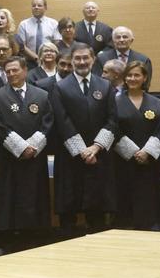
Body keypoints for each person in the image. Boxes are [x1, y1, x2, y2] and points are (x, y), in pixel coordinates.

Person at [0, 56, 53, 253]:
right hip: (7, 157)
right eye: (7, 71)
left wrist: (32, 146)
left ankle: (31, 238)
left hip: (34, 157)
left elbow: (48, 122)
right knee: (6, 196)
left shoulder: (42, 95)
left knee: (32, 195)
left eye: (15, 70)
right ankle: (4, 240)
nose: (11, 74)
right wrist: (20, 147)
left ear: (25, 71)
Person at [50, 45, 117, 234]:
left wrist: (95, 148)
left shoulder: (105, 85)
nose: (82, 62)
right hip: (70, 156)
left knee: (97, 209)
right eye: (77, 58)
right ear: (72, 61)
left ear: (93, 59)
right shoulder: (60, 87)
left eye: (85, 58)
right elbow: (62, 121)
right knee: (69, 207)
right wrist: (82, 150)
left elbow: (112, 120)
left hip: (99, 155)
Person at [113, 61, 160, 231]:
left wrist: (146, 153)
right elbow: (113, 128)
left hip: (149, 163)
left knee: (149, 197)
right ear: (124, 78)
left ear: (144, 78)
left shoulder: (156, 103)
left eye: (137, 75)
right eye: (129, 75)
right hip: (123, 162)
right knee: (125, 199)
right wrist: (133, 152)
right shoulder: (114, 102)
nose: (132, 78)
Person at [16, 0, 60, 66]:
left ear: (45, 8)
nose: (36, 7)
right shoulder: (24, 24)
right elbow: (22, 46)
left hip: (49, 61)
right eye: (34, 6)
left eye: (39, 5)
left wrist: (48, 56)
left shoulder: (53, 23)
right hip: (29, 62)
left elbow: (57, 43)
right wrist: (36, 58)